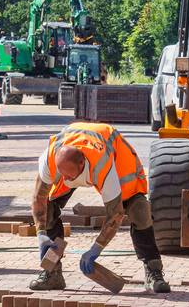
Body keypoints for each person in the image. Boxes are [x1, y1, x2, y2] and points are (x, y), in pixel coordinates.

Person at [29, 122, 170, 293]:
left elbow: (115, 215)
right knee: (47, 208)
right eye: (61, 173)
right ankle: (52, 273)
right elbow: (38, 197)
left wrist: (95, 249)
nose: (63, 178)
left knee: (139, 210)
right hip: (74, 153)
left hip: (116, 155)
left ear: (81, 166)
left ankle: (153, 271)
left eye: (68, 175)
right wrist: (41, 235)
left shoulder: (103, 165)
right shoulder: (50, 158)